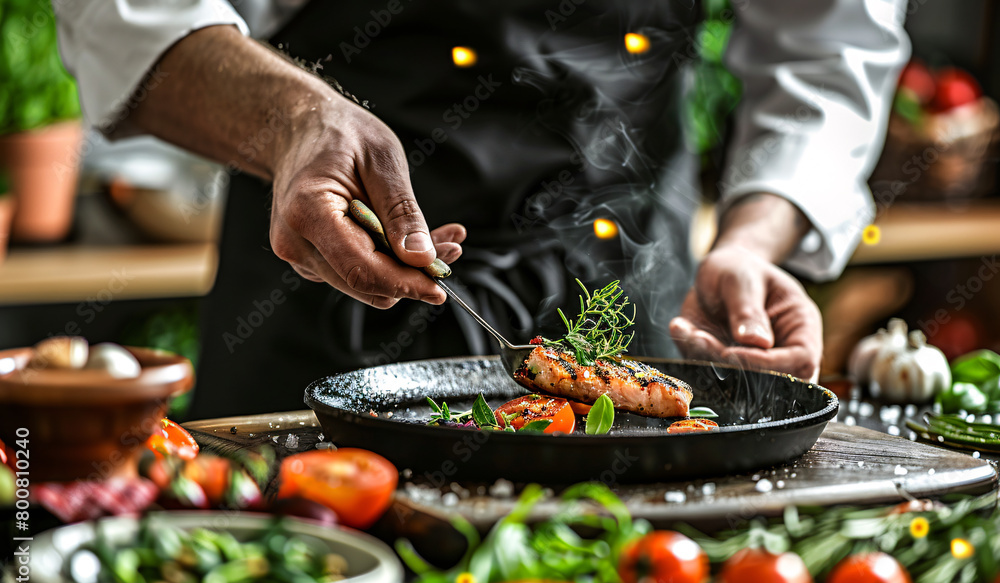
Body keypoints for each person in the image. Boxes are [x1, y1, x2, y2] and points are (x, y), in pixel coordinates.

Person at [54, 0, 909, 418]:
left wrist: (754, 242)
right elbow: (124, 12)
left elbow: (830, 49)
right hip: (323, 267)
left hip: (634, 282)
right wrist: (293, 121)